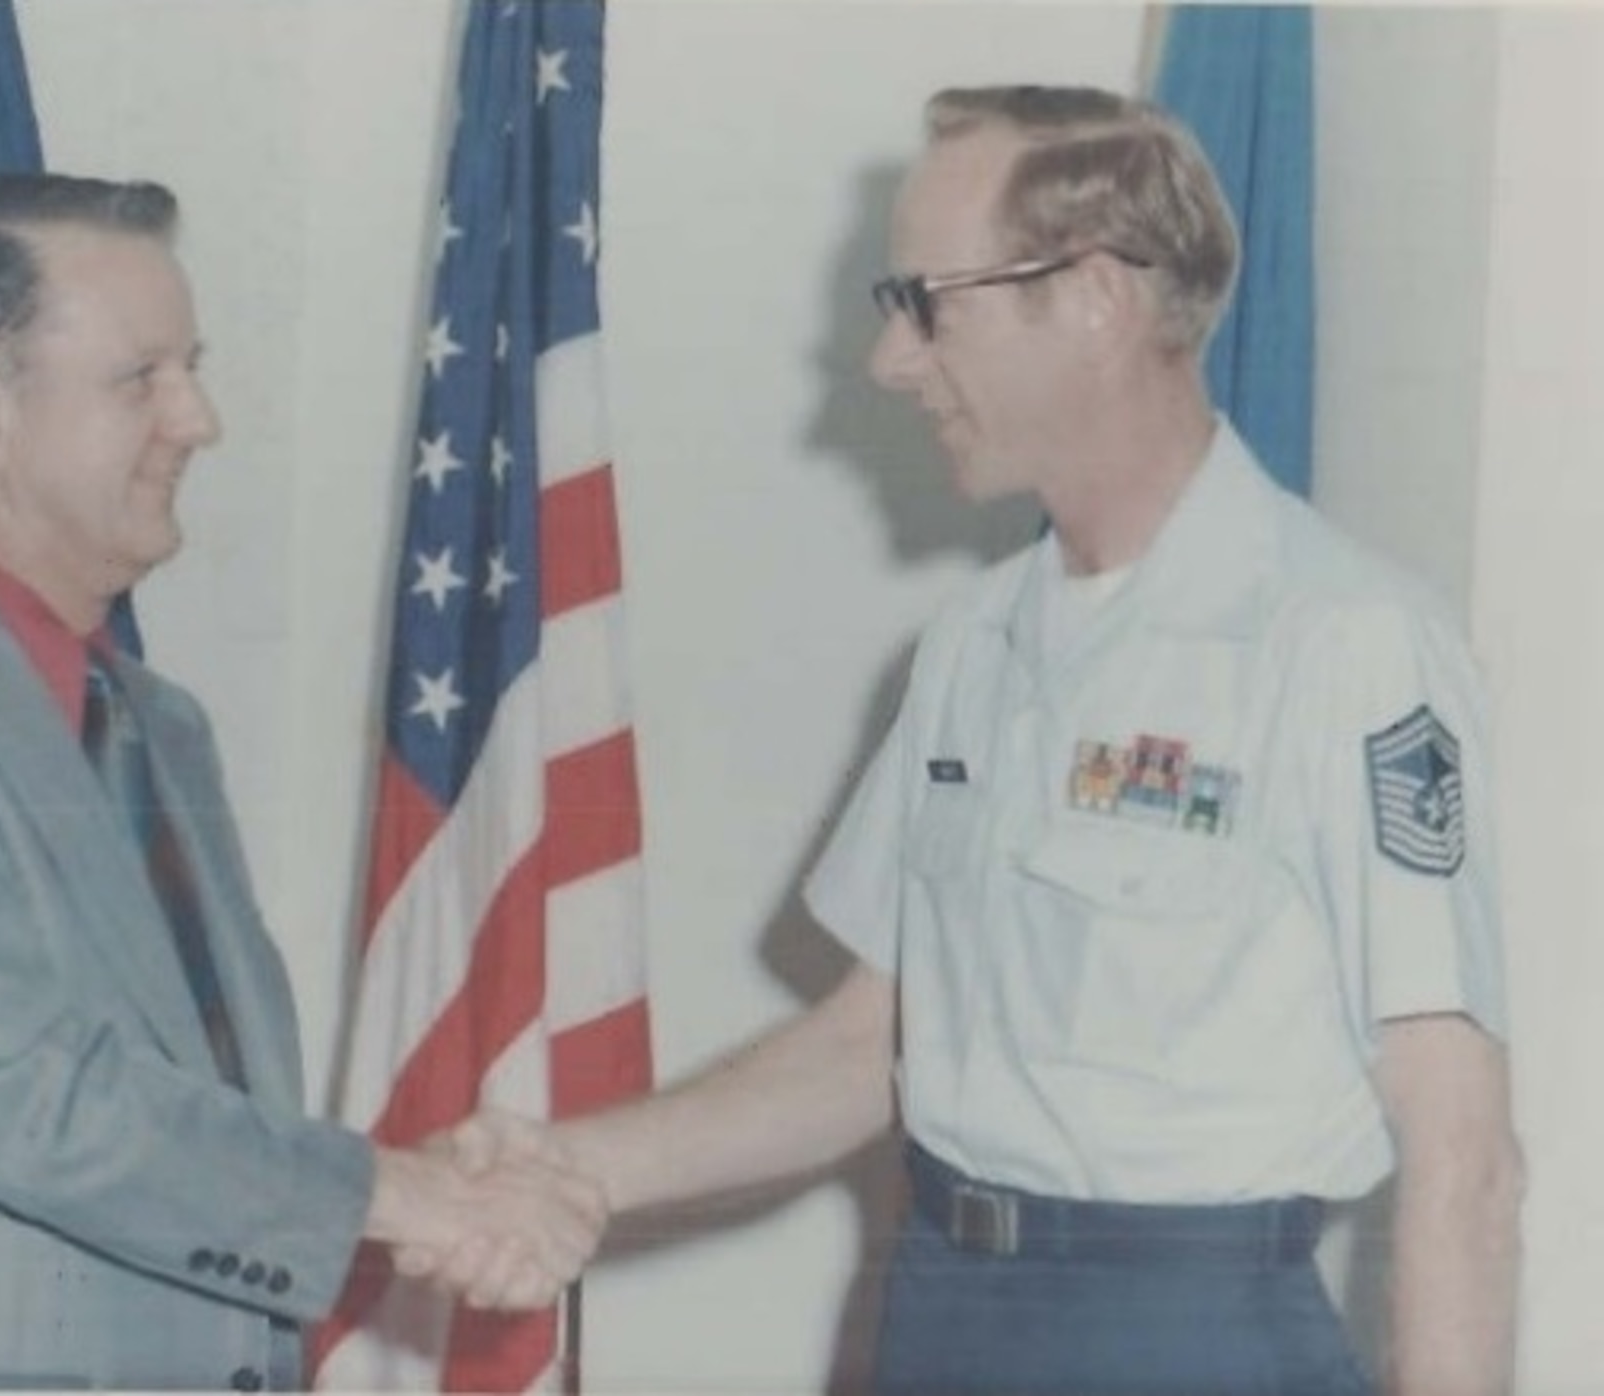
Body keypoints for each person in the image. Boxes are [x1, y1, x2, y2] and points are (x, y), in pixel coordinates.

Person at [460, 85, 1524, 1395]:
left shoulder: (1343, 643)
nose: (892, 362)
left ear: (1092, 296)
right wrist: (572, 1170)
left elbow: (1463, 1155)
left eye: (926, 303)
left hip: (1189, 1339)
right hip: (946, 1311)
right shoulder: (972, 647)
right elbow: (869, 1048)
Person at [0, 173, 602, 1390]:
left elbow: (208, 1102)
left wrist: (435, 1192)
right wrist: (415, 1198)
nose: (198, 418)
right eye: (143, 378)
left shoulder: (157, 726)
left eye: (191, 367)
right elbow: (31, 1101)